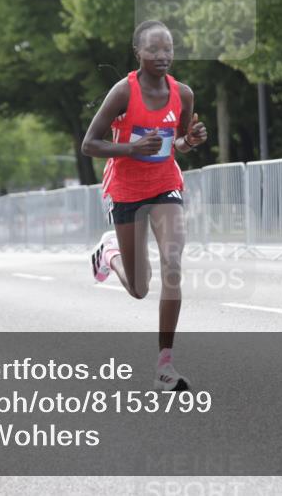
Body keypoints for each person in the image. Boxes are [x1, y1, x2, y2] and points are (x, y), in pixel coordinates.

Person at [81, 20, 207, 391]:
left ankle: (165, 365)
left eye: (168, 48)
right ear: (138, 53)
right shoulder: (122, 92)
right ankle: (109, 253)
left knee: (172, 264)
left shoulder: (182, 93)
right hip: (126, 187)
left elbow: (179, 142)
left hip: (166, 183)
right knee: (139, 288)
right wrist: (132, 149)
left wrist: (191, 139)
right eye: (154, 50)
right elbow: (90, 143)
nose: (163, 56)